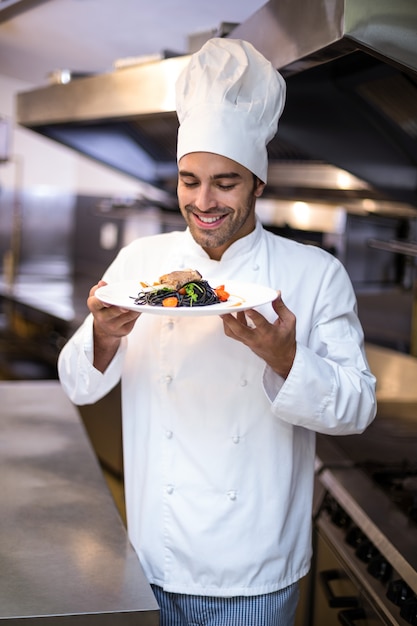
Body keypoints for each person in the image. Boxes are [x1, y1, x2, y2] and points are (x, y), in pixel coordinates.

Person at [58, 38, 377, 626]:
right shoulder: (140, 265)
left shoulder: (312, 274)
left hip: (255, 572)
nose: (203, 202)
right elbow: (79, 386)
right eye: (188, 180)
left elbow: (357, 409)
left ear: (258, 182)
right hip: (151, 556)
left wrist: (287, 360)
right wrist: (104, 337)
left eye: (225, 182)